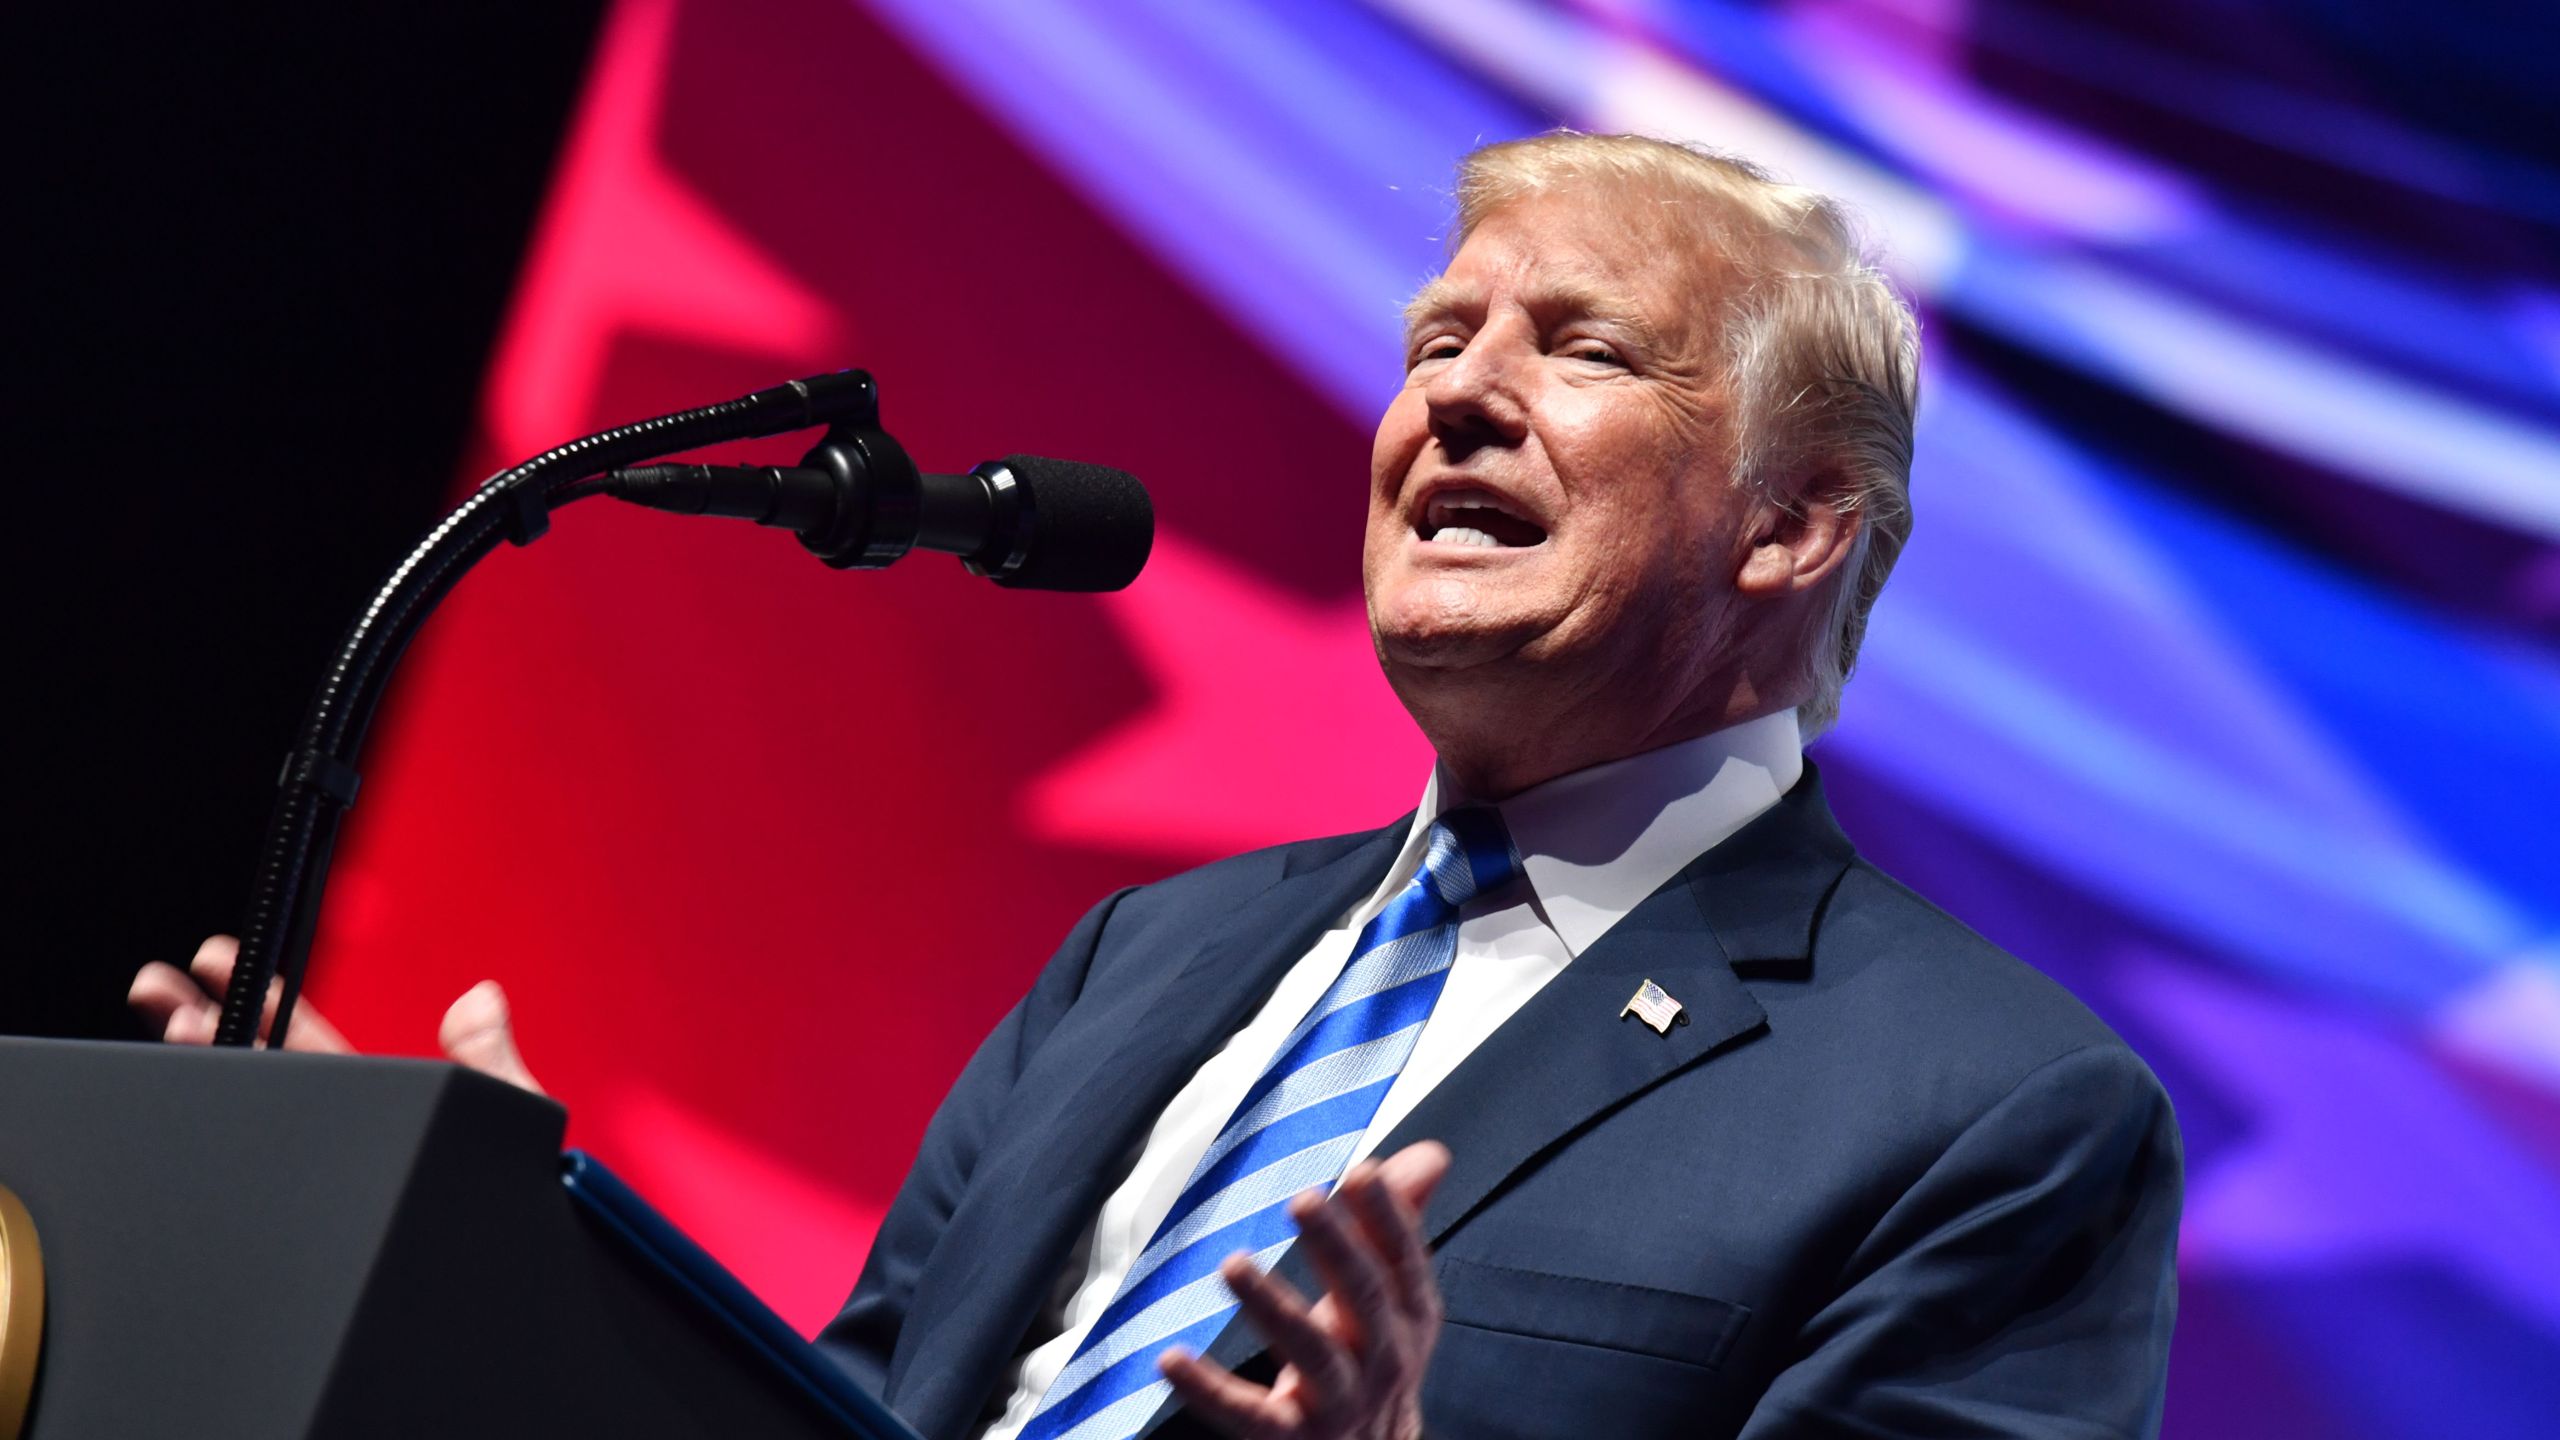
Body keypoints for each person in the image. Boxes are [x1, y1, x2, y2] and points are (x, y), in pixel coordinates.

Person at [135, 132, 2181, 1439]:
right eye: (1435, 337)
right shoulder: (1160, 950)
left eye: (1578, 349)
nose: (1452, 390)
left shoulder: (1988, 1118)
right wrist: (512, 1252)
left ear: (1792, 524)